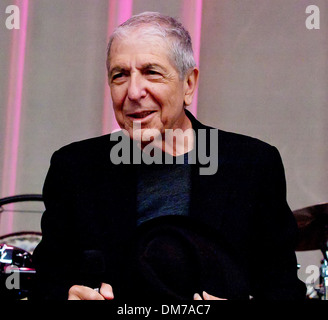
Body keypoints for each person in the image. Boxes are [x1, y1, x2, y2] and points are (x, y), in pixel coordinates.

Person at [31, 12, 306, 301]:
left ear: (189, 85)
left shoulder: (253, 165)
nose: (134, 92)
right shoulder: (74, 168)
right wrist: (67, 295)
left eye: (151, 72)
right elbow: (45, 285)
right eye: (120, 75)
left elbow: (284, 291)